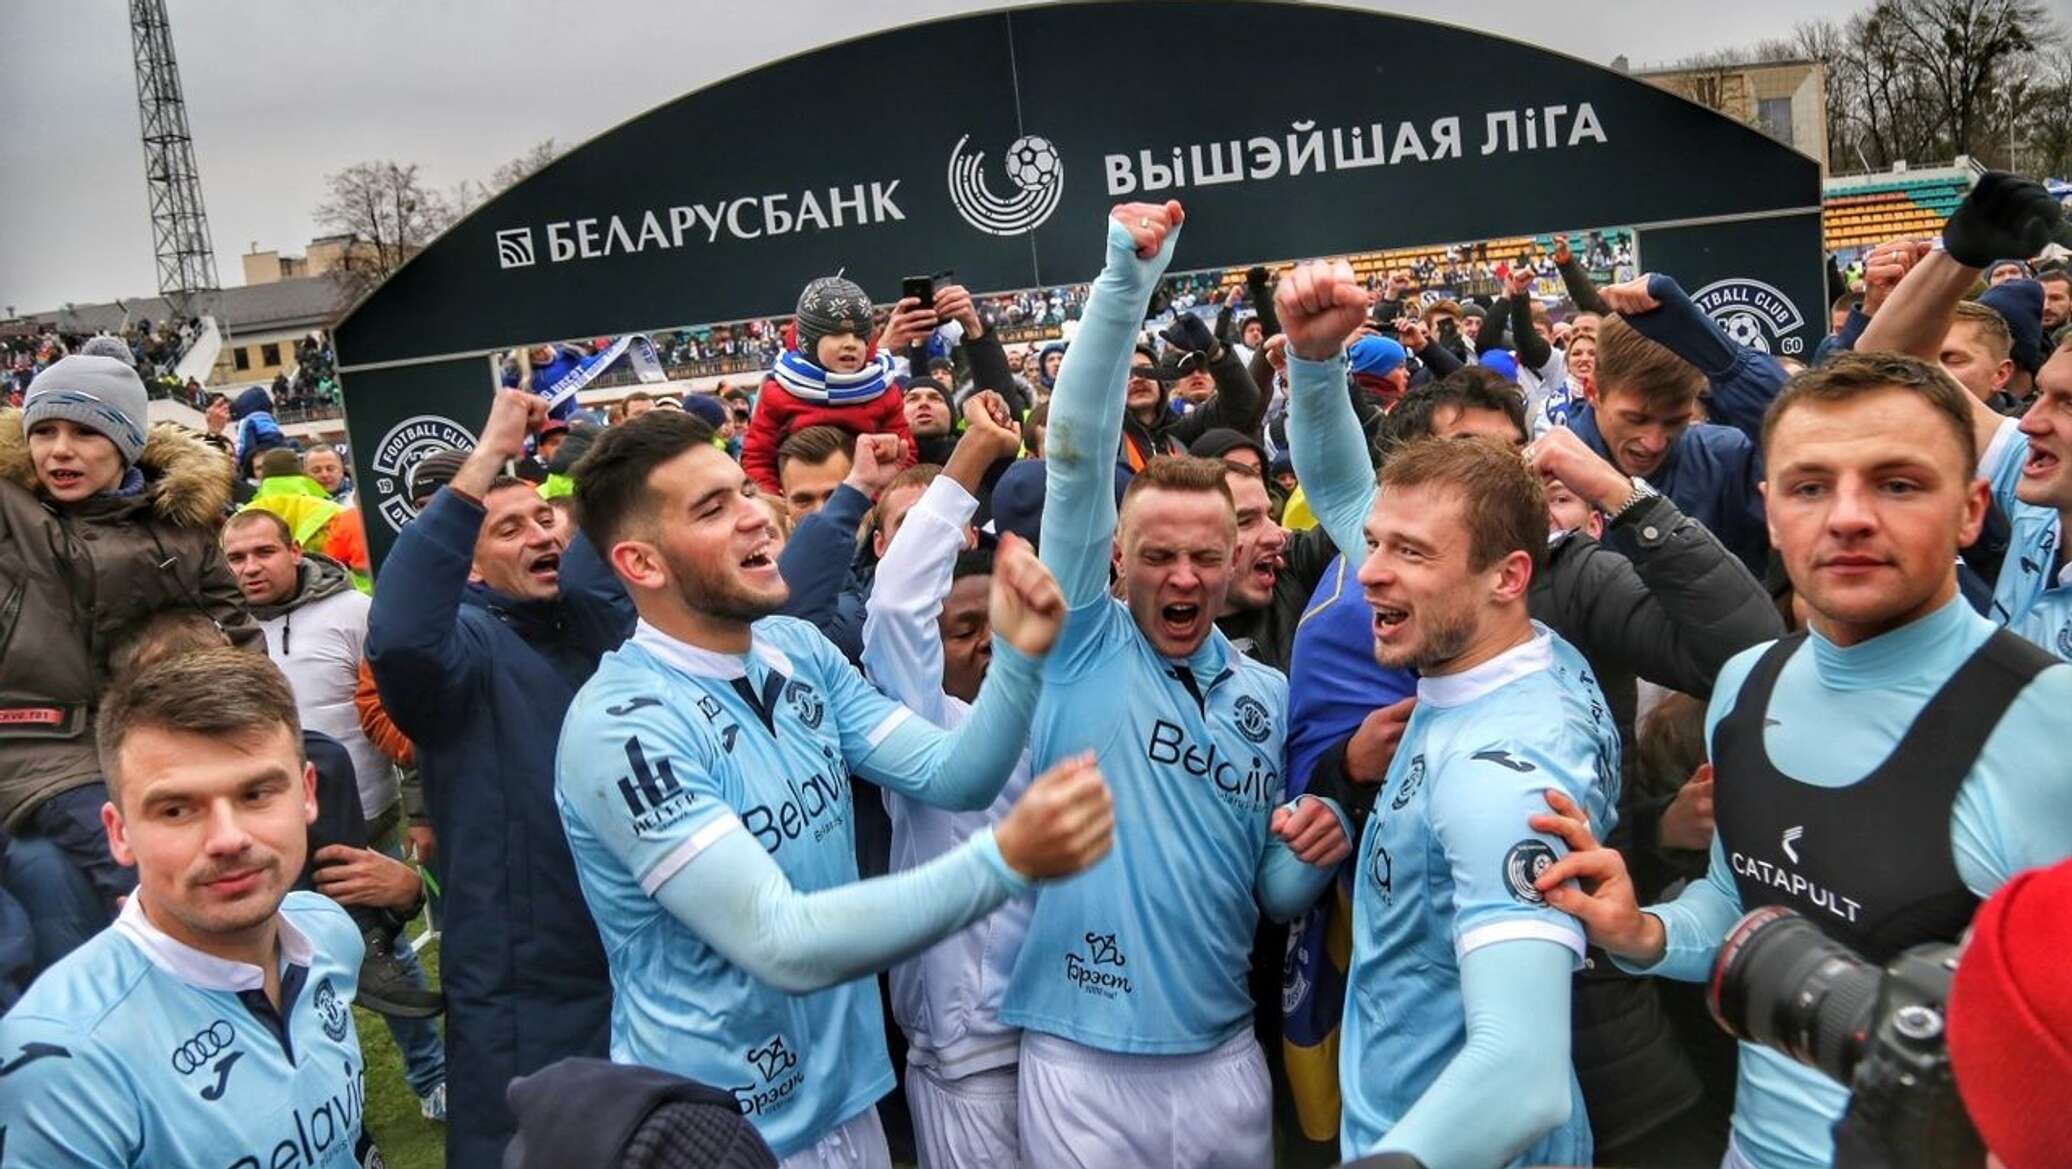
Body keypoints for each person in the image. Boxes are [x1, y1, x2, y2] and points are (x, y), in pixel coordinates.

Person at [1531, 352, 2072, 1169]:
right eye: (1810, 487)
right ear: (1772, 514)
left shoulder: (2049, 726)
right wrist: (1643, 930)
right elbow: (1737, 902)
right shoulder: (1747, 683)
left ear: (1971, 511)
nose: (1848, 517)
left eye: (1898, 484)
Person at [554, 408, 1113, 1167]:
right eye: (712, 509)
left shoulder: (795, 649)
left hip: (847, 1095)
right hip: (721, 1130)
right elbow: (780, 940)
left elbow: (955, 774)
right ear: (642, 564)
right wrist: (1006, 860)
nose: (756, 516)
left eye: (742, 491)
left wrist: (1017, 659)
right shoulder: (622, 728)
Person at [1005, 202, 1347, 1169]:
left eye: (1205, 556)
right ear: (1116, 559)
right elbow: (1075, 452)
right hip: (1081, 1062)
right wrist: (1125, 282)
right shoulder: (1083, 643)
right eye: (1158, 555)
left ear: (1239, 557)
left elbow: (1268, 892)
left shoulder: (1267, 696)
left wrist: (1318, 840)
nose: (1183, 576)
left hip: (1225, 1058)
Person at [1277, 258, 1615, 1166]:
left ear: (1509, 573)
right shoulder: (1512, 645)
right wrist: (1313, 361)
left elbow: (1523, 1075)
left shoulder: (1503, 770)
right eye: (1375, 544)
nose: (1371, 573)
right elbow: (1340, 489)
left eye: (1409, 553)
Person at [366, 389, 620, 1169]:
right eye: (508, 529)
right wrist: (484, 459)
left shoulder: (590, 624)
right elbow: (401, 641)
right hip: (525, 981)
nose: (540, 534)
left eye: (545, 519)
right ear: (467, 565)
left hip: (626, 950)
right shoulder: (465, 648)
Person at [0, 649, 377, 1168]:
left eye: (256, 793)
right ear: (119, 833)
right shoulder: (62, 1060)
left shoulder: (327, 930)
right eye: (176, 809)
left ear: (307, 794)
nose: (228, 838)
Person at [0, 354, 259, 913]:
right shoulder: (11, 513)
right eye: (43, 431)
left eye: (84, 432)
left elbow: (239, 637)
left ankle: (362, 931)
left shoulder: (181, 525)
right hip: (40, 748)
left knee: (310, 770)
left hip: (160, 736)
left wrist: (265, 728)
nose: (59, 450)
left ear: (126, 444)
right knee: (145, 871)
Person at [859, 398, 1033, 1167]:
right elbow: (898, 606)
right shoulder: (923, 720)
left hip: (1069, 1040)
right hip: (966, 1065)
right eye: (964, 632)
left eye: (999, 627)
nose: (988, 646)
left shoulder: (1052, 712)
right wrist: (972, 457)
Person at [1568, 272, 1789, 572]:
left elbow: (1812, 440)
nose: (1654, 443)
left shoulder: (1728, 461)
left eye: (1675, 421)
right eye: (1636, 419)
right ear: (1592, 391)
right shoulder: (1551, 480)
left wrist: (1722, 357)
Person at [739, 276, 921, 494]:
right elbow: (757, 459)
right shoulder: (778, 392)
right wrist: (780, 506)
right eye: (837, 335)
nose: (850, 344)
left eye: (859, 336)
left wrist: (872, 503)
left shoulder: (885, 392)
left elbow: (904, 457)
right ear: (809, 341)